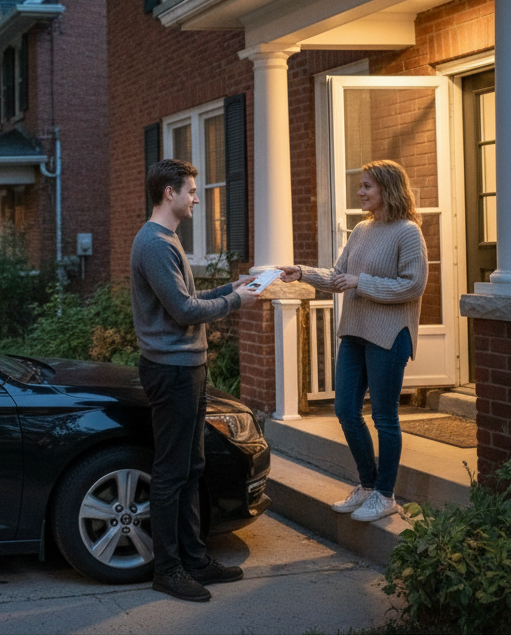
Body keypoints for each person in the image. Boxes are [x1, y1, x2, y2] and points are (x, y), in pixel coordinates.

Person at [131, 158, 258, 602]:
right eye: (191, 190)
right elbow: (183, 312)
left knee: (191, 468)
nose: (196, 197)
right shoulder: (154, 244)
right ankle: (167, 570)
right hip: (172, 371)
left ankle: (194, 557)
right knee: (170, 472)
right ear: (170, 193)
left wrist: (232, 288)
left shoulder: (168, 240)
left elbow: (188, 297)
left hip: (188, 368)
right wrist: (237, 302)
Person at [277, 159, 427, 523]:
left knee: (385, 417)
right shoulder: (360, 230)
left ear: (387, 189)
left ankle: (385, 494)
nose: (359, 192)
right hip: (355, 332)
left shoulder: (408, 232)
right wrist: (304, 272)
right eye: (360, 186)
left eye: (366, 187)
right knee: (345, 411)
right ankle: (367, 485)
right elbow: (339, 275)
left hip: (389, 335)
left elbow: (414, 284)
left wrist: (363, 283)